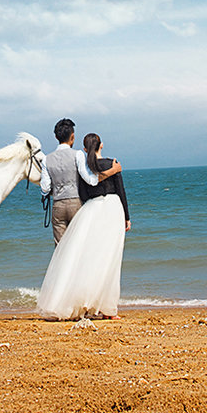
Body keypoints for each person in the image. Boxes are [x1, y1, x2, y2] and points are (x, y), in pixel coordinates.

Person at [37, 132, 130, 321]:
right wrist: (127, 217)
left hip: (86, 208)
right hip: (112, 208)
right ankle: (107, 309)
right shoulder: (112, 163)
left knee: (70, 256)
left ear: (85, 148)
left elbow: (54, 189)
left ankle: (68, 300)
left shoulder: (72, 163)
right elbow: (120, 191)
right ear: (101, 145)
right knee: (110, 259)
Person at [40, 118, 121, 245]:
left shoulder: (46, 159)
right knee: (77, 245)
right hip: (75, 203)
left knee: (60, 247)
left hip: (57, 206)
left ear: (56, 137)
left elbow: (45, 189)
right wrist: (112, 171)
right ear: (72, 136)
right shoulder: (77, 154)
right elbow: (91, 180)